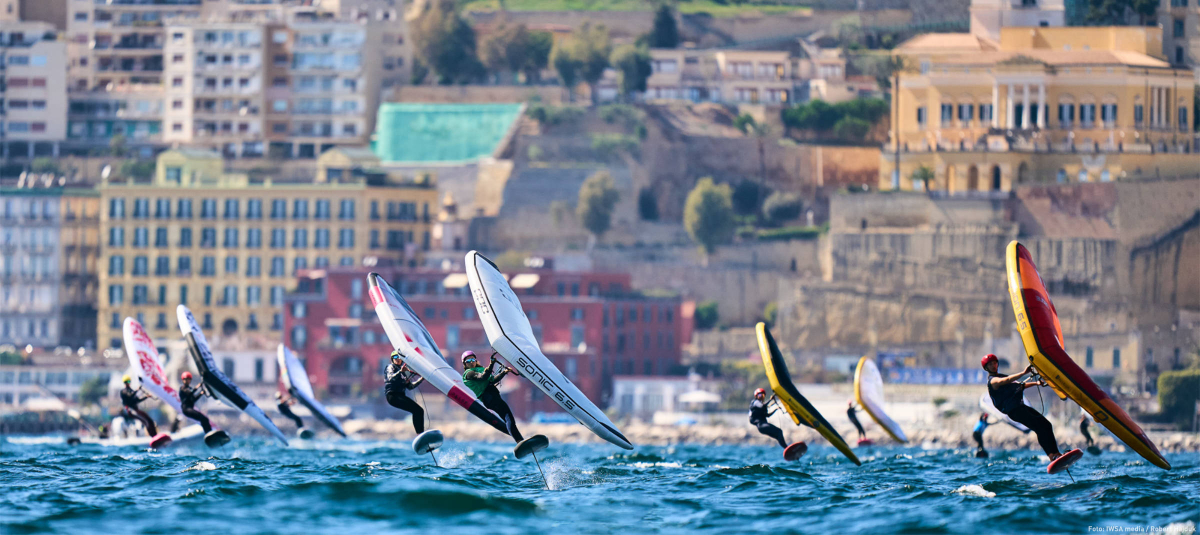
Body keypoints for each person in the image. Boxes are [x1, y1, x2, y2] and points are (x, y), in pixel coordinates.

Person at [982, 354, 1062, 461]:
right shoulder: (993, 381)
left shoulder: (1001, 376)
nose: (993, 365)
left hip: (1020, 407)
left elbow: (1020, 385)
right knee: (1039, 428)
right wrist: (1024, 372)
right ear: (986, 368)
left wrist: (1037, 383)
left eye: (995, 363)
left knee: (1047, 425)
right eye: (990, 364)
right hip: (1014, 411)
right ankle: (1052, 456)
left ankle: (1056, 453)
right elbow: (1007, 380)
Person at [462, 350, 523, 442]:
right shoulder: (469, 373)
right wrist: (491, 364)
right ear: (465, 364)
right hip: (489, 397)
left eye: (473, 359)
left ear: (475, 360)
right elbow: (483, 377)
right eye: (468, 361)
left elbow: (493, 380)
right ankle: (520, 441)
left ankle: (520, 441)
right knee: (508, 417)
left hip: (492, 397)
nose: (471, 362)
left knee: (508, 418)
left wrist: (504, 372)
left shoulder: (480, 369)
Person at [384, 350, 426, 434]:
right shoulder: (390, 367)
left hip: (400, 396)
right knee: (417, 410)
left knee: (419, 410)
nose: (397, 359)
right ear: (392, 359)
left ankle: (420, 434)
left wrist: (421, 379)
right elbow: (390, 378)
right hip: (392, 396)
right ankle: (420, 434)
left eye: (399, 357)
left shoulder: (403, 374)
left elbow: (410, 386)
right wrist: (400, 371)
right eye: (395, 357)